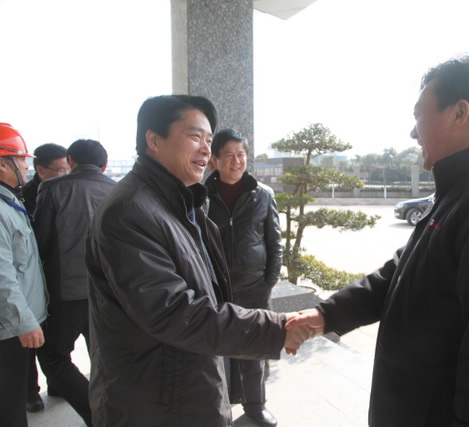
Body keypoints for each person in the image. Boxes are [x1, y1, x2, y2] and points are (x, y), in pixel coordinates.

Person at [286, 56, 469, 426]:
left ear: (459, 113)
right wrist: (328, 315)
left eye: (419, 114)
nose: (413, 132)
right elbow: (401, 274)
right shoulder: (466, 187)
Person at [85, 95, 310, 427]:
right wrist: (276, 331)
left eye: (208, 140)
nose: (206, 149)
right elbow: (175, 311)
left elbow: (269, 245)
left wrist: (266, 283)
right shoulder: (130, 211)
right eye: (195, 137)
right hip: (155, 401)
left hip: (186, 383)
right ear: (153, 140)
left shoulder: (184, 202)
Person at [33, 139, 116, 426]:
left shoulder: (52, 188)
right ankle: (113, 413)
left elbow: (41, 243)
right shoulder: (118, 190)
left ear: (71, 161)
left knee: (53, 357)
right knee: (104, 357)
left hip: (66, 292)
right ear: (104, 165)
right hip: (109, 292)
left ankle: (95, 415)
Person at [205, 129, 282, 427]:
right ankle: (219, 408)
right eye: (229, 155)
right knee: (217, 354)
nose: (236, 161)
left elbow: (274, 242)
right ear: (215, 160)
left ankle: (255, 406)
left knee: (253, 351)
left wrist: (269, 280)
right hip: (216, 290)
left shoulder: (263, 195)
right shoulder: (201, 197)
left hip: (254, 288)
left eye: (241, 154)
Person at [0, 123, 48, 427]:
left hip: (12, 324)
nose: (25, 167)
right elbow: (2, 276)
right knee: (10, 406)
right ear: (2, 164)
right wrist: (24, 322)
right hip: (9, 329)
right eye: (20, 160)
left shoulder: (9, 201)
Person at [19, 142, 68, 413]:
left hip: (58, 276)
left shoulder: (66, 189)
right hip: (33, 276)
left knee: (56, 335)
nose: (64, 175)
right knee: (29, 337)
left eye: (67, 169)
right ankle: (31, 392)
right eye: (59, 170)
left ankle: (57, 384)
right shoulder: (23, 195)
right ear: (40, 169)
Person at [21, 143, 69, 214]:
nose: (67, 175)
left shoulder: (74, 189)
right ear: (40, 170)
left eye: (70, 169)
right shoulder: (25, 198)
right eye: (61, 170)